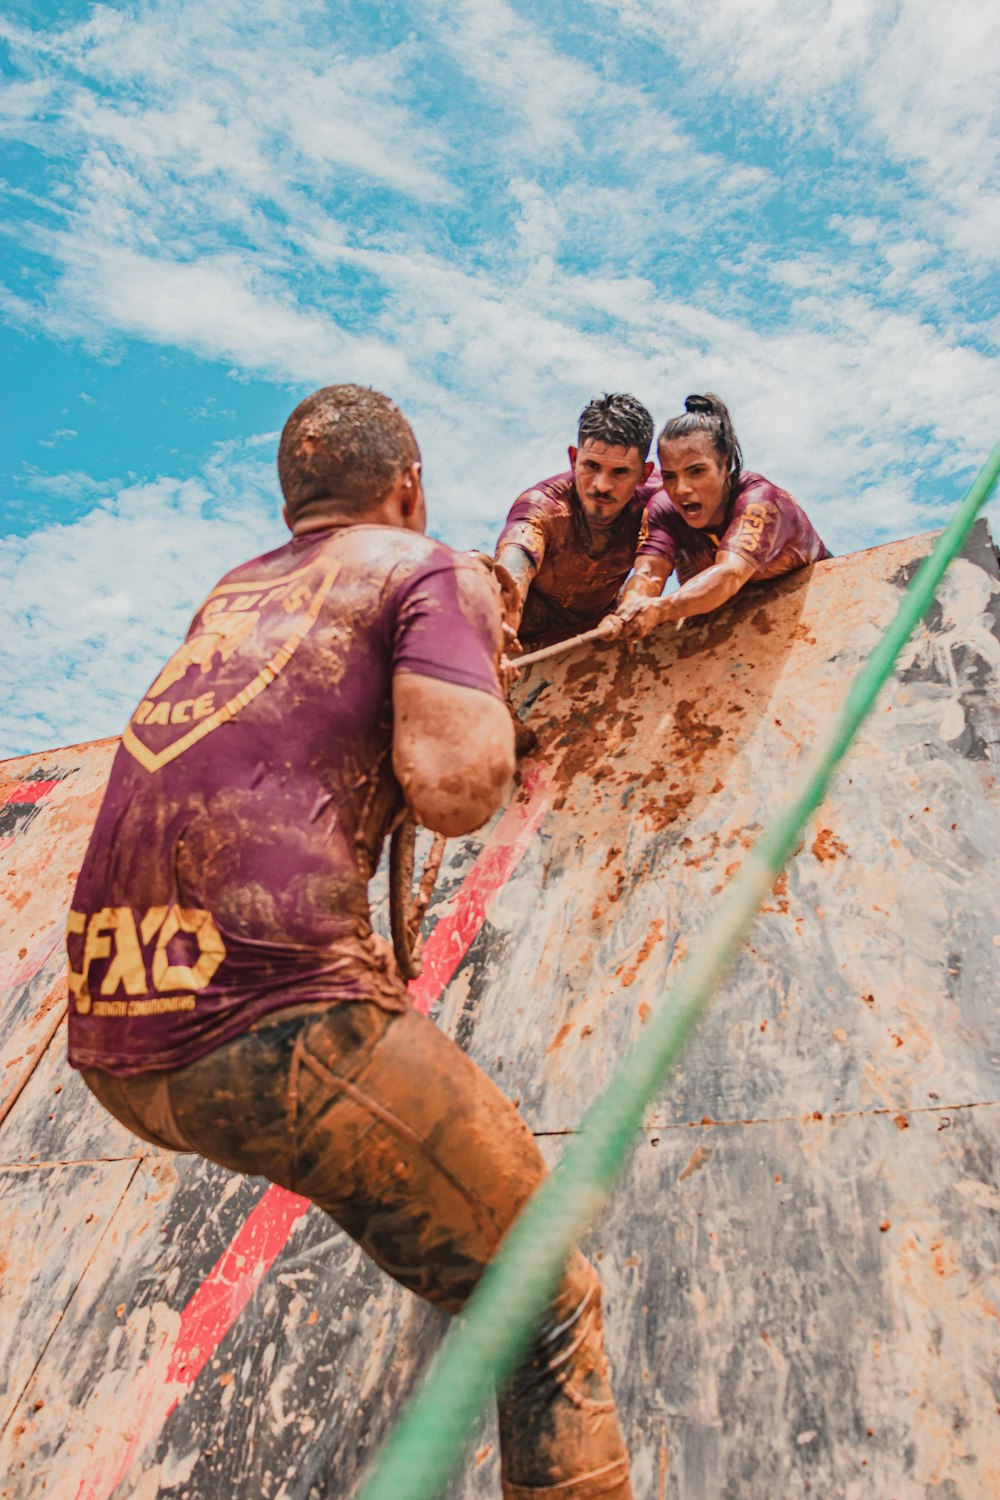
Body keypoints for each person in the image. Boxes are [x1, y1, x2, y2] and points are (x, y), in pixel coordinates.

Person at [66, 385, 632, 1500]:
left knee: (436, 1209)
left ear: (294, 505)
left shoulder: (231, 594)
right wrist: (486, 709)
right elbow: (457, 787)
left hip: (117, 1042)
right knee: (546, 1300)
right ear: (410, 488)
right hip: (277, 1020)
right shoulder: (426, 566)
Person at [603, 393, 829, 637]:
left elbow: (729, 574)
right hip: (737, 627)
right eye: (669, 476)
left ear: (725, 464)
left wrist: (659, 609)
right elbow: (648, 574)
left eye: (697, 471)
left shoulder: (761, 500)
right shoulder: (663, 508)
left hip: (820, 608)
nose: (681, 489)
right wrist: (631, 607)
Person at [494, 393, 659, 651]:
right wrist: (500, 633)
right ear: (573, 459)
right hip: (530, 619)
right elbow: (511, 575)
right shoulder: (542, 507)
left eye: (620, 472)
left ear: (643, 473)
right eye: (591, 466)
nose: (602, 486)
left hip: (601, 620)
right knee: (474, 574)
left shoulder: (661, 497)